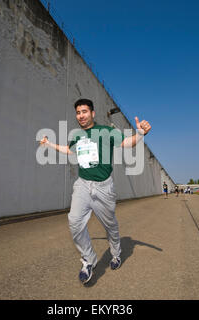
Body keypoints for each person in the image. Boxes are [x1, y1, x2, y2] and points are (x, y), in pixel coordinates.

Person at [40, 98, 151, 284]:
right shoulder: (77, 135)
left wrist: (140, 133)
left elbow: (128, 143)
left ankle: (116, 253)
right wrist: (49, 144)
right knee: (74, 221)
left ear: (92, 113)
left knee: (110, 226)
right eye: (78, 112)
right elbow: (69, 150)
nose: (80, 116)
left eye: (84, 111)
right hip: (83, 184)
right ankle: (88, 260)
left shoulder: (107, 132)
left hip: (103, 187)